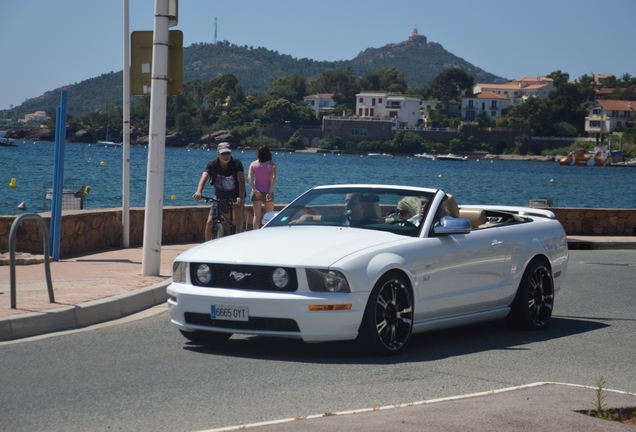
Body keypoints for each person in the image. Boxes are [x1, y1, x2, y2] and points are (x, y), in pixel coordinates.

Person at [193, 142, 245, 241]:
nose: (226, 156)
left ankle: (239, 236)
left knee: (237, 209)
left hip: (236, 196)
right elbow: (204, 177)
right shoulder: (213, 164)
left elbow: (241, 180)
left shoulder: (236, 163)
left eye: (228, 153)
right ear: (218, 154)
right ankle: (207, 245)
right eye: (223, 154)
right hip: (220, 196)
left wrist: (241, 196)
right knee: (209, 222)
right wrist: (199, 191)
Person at [295, 193, 378, 227]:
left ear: (362, 206)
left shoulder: (373, 226)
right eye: (346, 201)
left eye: (352, 202)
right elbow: (309, 218)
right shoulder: (341, 219)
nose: (347, 205)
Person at [248, 145, 276, 229]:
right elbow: (274, 178)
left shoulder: (253, 164)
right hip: (268, 191)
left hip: (257, 191)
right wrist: (270, 192)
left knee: (256, 215)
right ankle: (269, 234)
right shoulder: (271, 165)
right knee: (270, 216)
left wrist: (255, 190)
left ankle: (255, 234)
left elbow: (249, 177)